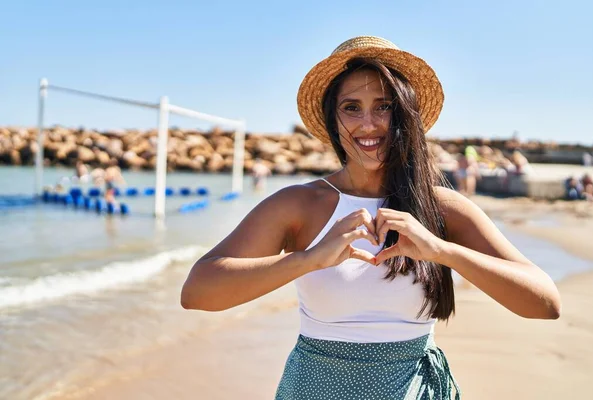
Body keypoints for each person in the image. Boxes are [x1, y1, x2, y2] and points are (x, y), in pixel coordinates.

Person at [181, 36, 561, 399]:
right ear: (333, 120)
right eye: (351, 108)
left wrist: (441, 251)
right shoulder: (298, 204)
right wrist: (307, 260)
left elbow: (545, 303)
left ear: (405, 113)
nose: (369, 124)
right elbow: (197, 293)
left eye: (384, 106)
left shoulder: (440, 207)